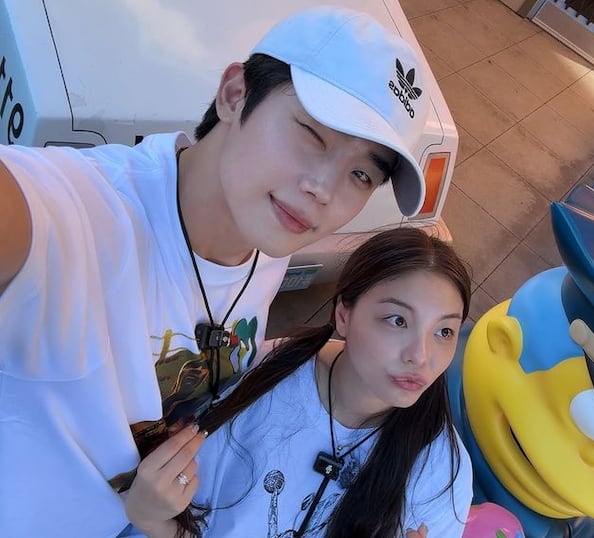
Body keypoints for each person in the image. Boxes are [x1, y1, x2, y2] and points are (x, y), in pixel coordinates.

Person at [0, 5, 434, 537]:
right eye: (312, 133)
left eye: (362, 173)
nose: (323, 189)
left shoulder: (267, 237)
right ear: (235, 94)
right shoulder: (80, 215)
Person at [125, 227, 474, 538]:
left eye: (444, 331)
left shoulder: (441, 474)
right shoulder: (262, 379)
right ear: (344, 314)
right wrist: (151, 518)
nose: (421, 356)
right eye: (397, 320)